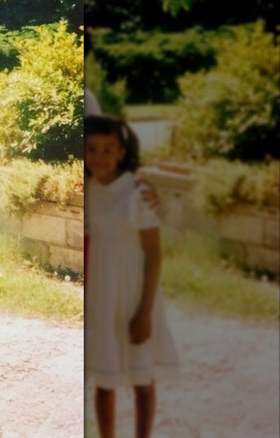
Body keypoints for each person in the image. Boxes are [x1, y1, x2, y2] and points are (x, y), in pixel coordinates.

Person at [84, 114, 180, 438]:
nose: (100, 157)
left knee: (142, 376)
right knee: (104, 379)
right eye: (92, 149)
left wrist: (144, 310)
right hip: (101, 299)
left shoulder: (138, 195)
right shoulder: (87, 193)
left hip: (134, 295)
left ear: (122, 152)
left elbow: (153, 253)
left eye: (108, 149)